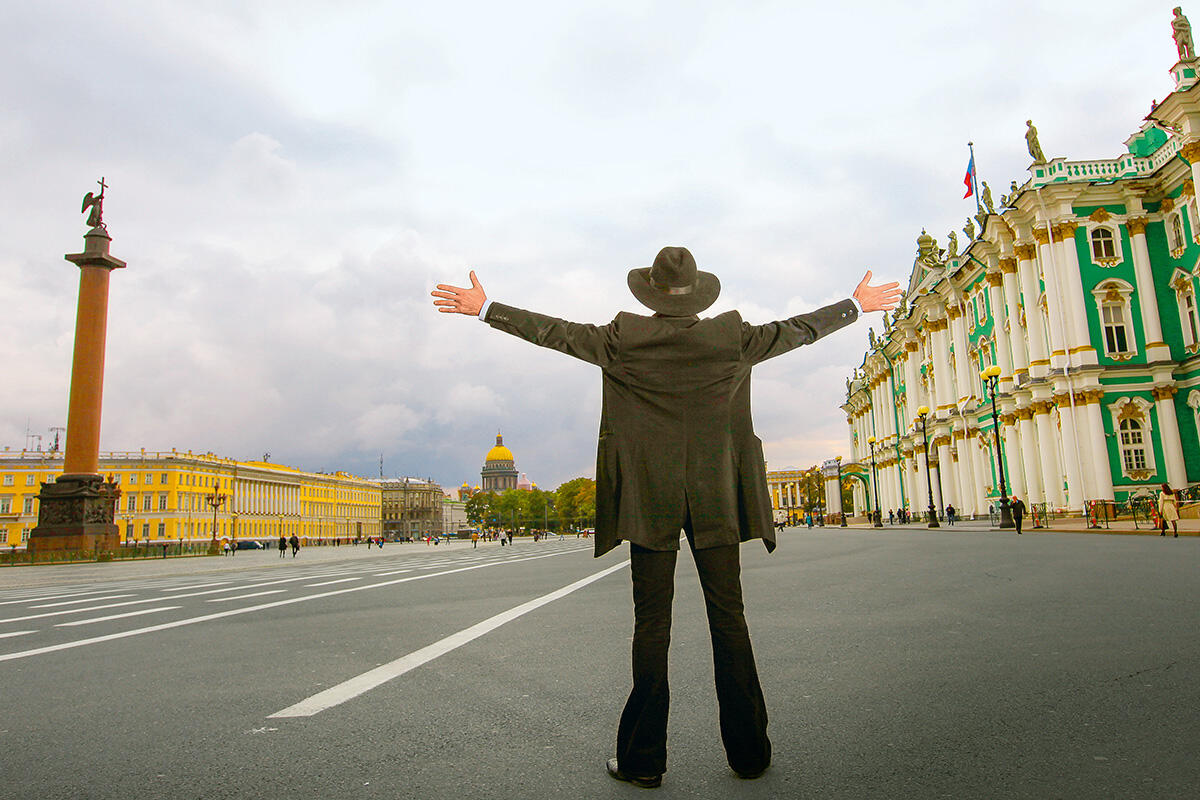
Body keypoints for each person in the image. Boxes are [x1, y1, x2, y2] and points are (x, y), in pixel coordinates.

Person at [433, 246, 900, 787]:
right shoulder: (732, 337)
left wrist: (488, 307)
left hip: (647, 498)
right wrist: (854, 305)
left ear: (649, 293)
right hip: (717, 498)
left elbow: (556, 332)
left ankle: (643, 759)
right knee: (730, 621)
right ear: (699, 293)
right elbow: (795, 330)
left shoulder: (623, 338)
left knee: (651, 628)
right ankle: (749, 752)